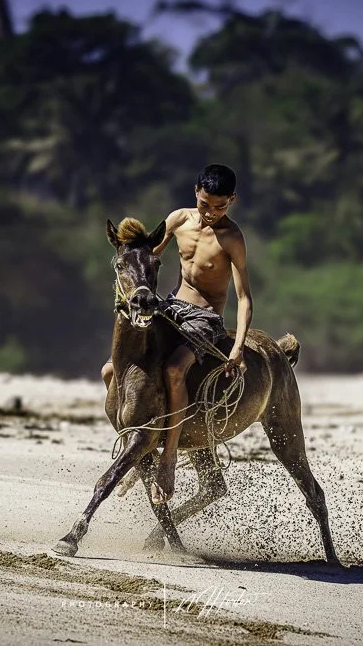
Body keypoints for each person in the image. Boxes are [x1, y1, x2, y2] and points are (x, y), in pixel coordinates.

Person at [102, 163, 252, 504]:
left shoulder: (233, 238)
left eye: (220, 206)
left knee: (173, 370)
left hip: (205, 319)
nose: (211, 212)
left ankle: (167, 459)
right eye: (205, 204)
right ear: (195, 193)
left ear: (232, 200)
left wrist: (238, 347)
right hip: (170, 308)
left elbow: (244, 298)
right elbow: (144, 259)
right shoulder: (179, 220)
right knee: (111, 370)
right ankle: (137, 446)